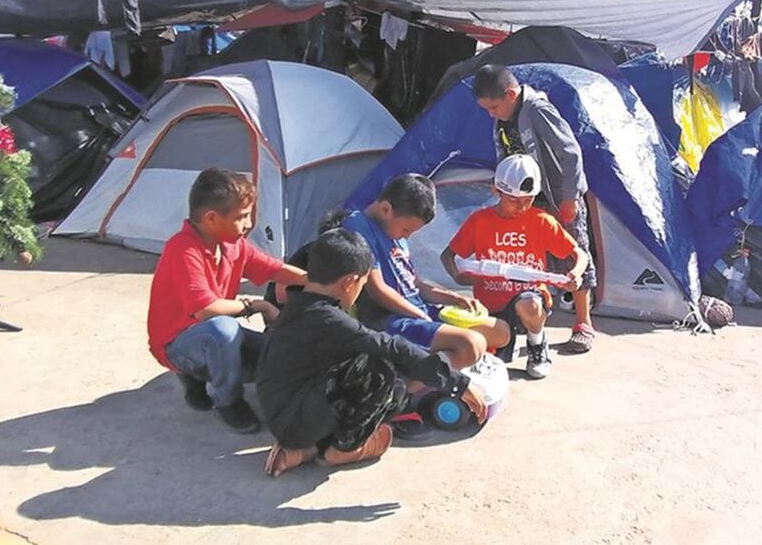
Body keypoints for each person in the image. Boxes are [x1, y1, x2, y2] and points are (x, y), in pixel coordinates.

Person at [258, 228, 488, 477]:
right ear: (350, 282)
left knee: (388, 382)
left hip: (288, 410)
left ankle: (307, 450)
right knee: (379, 370)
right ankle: (343, 448)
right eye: (363, 284)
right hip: (294, 419)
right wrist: (458, 383)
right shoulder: (326, 318)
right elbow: (391, 347)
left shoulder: (302, 307)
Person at [146, 168, 306, 434]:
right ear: (211, 218)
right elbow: (206, 310)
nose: (248, 224)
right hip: (177, 343)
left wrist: (317, 280)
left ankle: (199, 376)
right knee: (223, 330)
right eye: (241, 217)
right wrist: (259, 305)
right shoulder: (182, 248)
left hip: (209, 336)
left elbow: (274, 269)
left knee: (274, 353)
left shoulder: (233, 245)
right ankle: (227, 402)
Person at [473, 64, 599, 353]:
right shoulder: (503, 117)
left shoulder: (537, 110)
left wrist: (569, 198)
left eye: (493, 107)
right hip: (524, 197)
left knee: (572, 253)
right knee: (530, 259)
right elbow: (507, 154)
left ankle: (583, 323)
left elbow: (570, 153)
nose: (491, 114)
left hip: (556, 197)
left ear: (510, 93)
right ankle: (530, 318)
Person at [441, 155, 590, 379]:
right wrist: (457, 276)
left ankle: (537, 343)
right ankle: (499, 343)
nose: (521, 206)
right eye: (513, 200)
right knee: (487, 361)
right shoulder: (480, 221)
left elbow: (579, 255)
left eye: (528, 199)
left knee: (529, 304)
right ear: (496, 191)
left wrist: (575, 274)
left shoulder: (542, 221)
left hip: (529, 295)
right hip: (489, 301)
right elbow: (448, 255)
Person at [341, 174, 512, 369]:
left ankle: (438, 362)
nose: (407, 236)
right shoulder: (359, 226)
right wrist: (420, 316)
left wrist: (453, 298)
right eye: (406, 230)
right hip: (390, 320)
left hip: (419, 312)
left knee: (501, 331)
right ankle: (413, 383)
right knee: (472, 344)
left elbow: (416, 285)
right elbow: (377, 289)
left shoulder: (395, 232)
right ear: (386, 209)